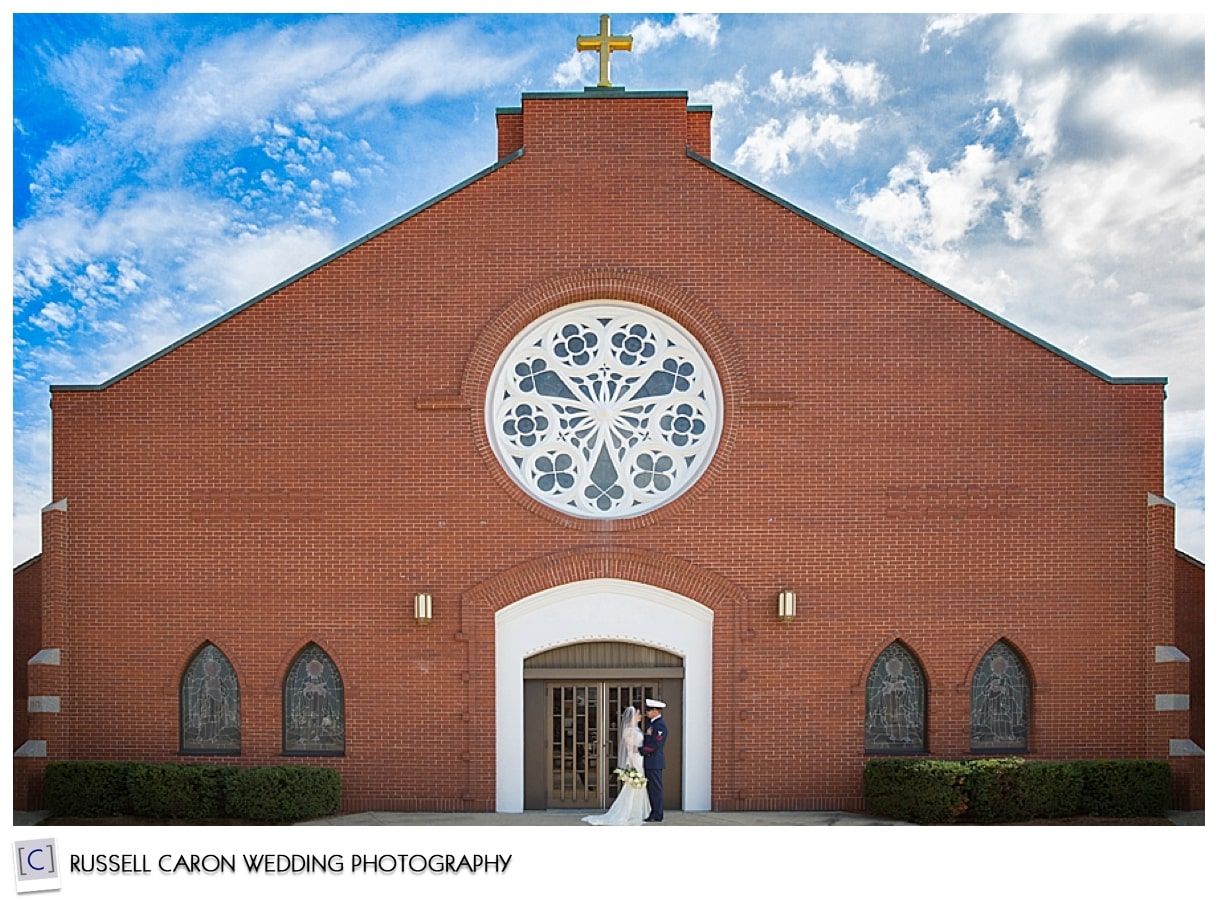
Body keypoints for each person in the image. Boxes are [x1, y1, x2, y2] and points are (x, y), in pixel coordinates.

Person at [582, 706, 651, 826]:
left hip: (641, 759)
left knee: (639, 786)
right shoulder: (629, 731)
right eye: (639, 714)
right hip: (635, 759)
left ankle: (639, 811)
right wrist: (632, 764)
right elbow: (629, 749)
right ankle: (628, 812)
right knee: (632, 787)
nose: (640, 716)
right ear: (633, 716)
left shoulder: (637, 729)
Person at [640, 699, 668, 822]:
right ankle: (654, 811)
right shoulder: (651, 724)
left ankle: (657, 813)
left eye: (649, 710)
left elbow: (656, 744)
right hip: (649, 761)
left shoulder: (659, 725)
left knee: (655, 789)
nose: (646, 712)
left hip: (654, 761)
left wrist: (641, 751)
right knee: (651, 788)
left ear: (656, 711)